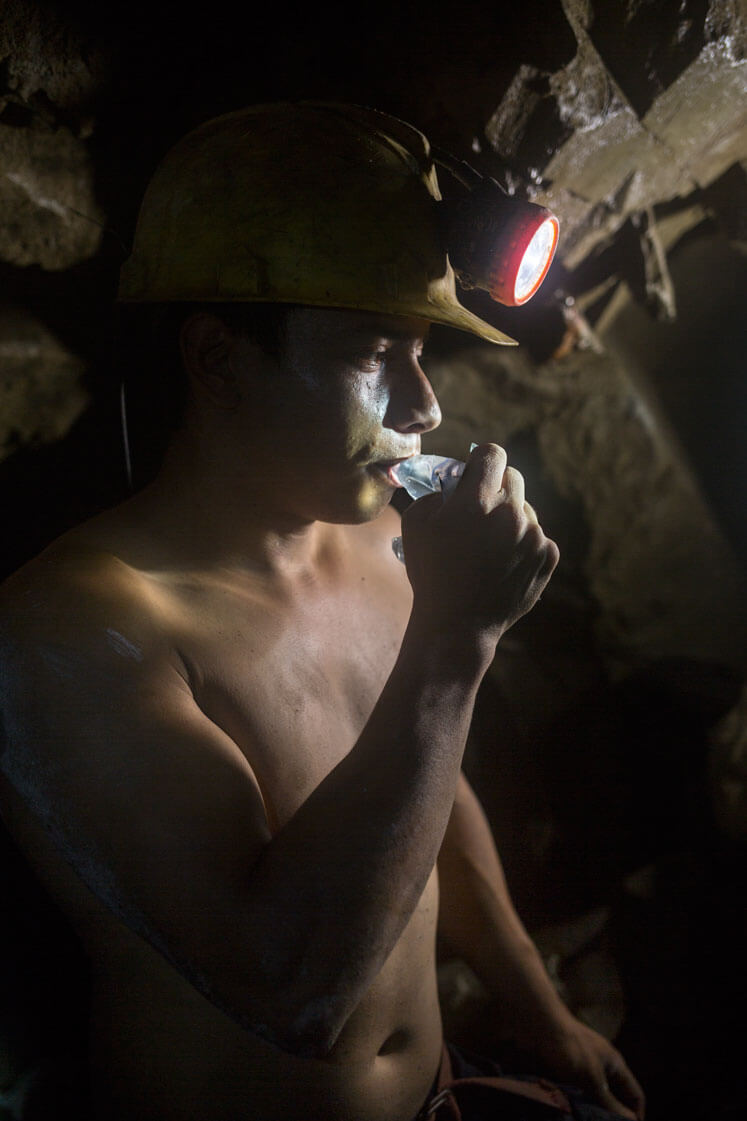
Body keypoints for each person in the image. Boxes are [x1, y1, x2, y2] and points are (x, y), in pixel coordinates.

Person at [0, 103, 645, 1121]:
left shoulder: (380, 542)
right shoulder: (73, 627)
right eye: (370, 352)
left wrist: (537, 1004)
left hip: (434, 1093)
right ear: (216, 357)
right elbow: (293, 990)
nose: (424, 404)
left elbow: (422, 789)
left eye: (422, 348)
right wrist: (456, 642)